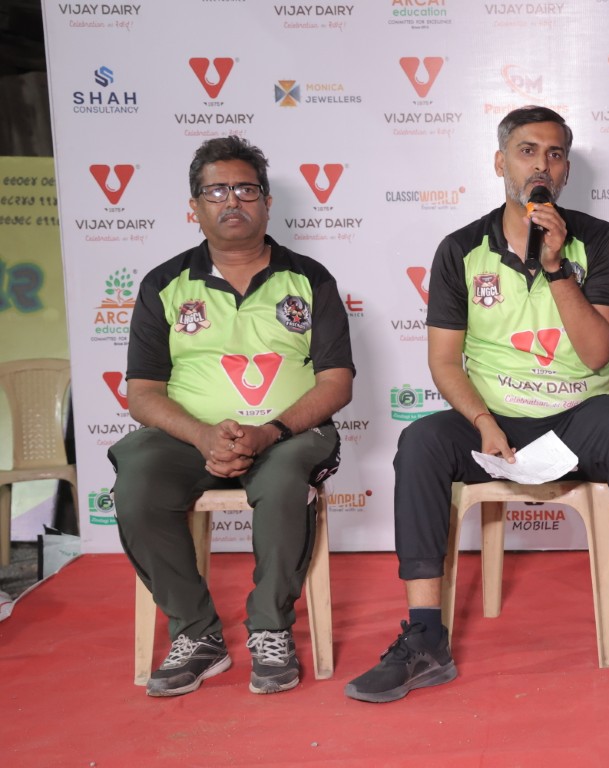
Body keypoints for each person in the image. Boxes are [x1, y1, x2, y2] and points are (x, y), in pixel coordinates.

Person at [345, 105, 609, 703]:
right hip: (493, 418)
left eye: (555, 154)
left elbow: (596, 354)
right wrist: (483, 422)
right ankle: (424, 638)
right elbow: (444, 362)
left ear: (565, 172)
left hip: (578, 415)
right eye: (527, 151)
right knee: (420, 442)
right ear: (500, 163)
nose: (542, 164)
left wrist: (557, 266)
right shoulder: (459, 249)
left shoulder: (598, 240)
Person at [109, 136, 355, 697]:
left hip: (288, 433)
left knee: (283, 477)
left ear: (267, 202)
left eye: (245, 189)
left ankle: (270, 630)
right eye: (216, 191)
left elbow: (336, 382)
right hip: (190, 438)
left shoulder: (310, 279)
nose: (232, 201)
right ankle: (197, 635)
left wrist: (268, 432)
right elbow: (142, 393)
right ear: (194, 207)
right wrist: (202, 435)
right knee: (137, 481)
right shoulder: (163, 284)